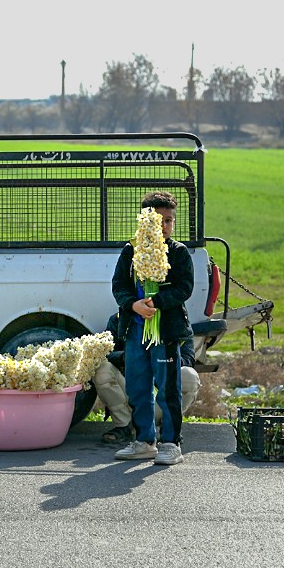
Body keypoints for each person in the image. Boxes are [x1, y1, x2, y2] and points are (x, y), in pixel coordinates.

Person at [111, 191, 194, 465]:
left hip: (165, 333)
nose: (165, 227)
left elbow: (184, 289)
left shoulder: (178, 253)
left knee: (168, 387)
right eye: (159, 221)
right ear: (145, 222)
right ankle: (144, 441)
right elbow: (119, 287)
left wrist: (156, 302)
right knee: (137, 388)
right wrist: (134, 306)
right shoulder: (130, 250)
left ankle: (171, 443)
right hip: (135, 332)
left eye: (169, 221)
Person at [95, 316, 201, 445]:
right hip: (130, 394)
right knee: (101, 368)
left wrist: (162, 359)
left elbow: (188, 359)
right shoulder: (119, 318)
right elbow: (107, 353)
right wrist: (128, 357)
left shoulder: (177, 318)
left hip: (161, 397)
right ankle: (124, 426)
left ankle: (168, 427)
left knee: (190, 376)